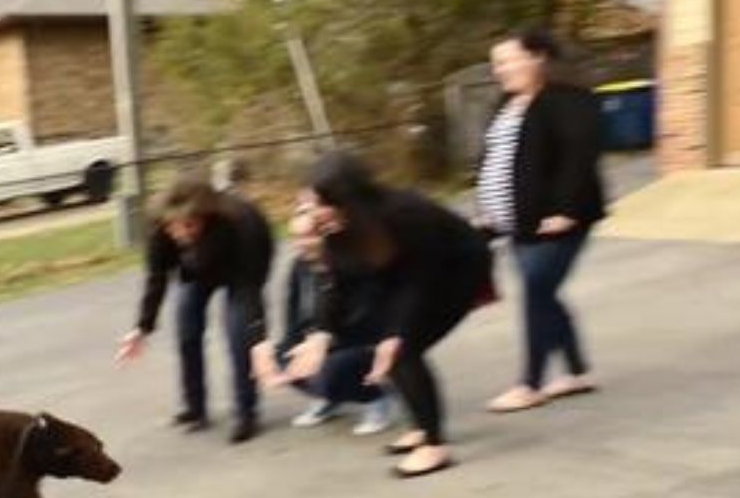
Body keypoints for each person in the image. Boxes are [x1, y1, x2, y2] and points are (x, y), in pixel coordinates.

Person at [257, 152, 492, 478]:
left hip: (456, 270)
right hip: (404, 277)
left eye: (320, 203)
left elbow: (418, 281)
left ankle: (434, 446)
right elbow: (334, 283)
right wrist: (320, 336)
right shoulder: (334, 224)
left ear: (348, 200)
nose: (312, 211)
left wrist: (397, 332)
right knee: (394, 347)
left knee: (401, 349)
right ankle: (424, 427)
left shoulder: (406, 214)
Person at [477, 29, 607, 413]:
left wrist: (566, 210)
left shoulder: (569, 100)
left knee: (536, 290)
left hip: (559, 221)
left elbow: (579, 157)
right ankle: (578, 372)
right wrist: (487, 208)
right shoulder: (507, 103)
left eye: (506, 60)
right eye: (496, 63)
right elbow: (497, 159)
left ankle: (529, 383)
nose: (499, 69)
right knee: (544, 292)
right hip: (516, 221)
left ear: (537, 58)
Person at [117, 174, 274, 444]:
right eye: (173, 227)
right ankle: (195, 408)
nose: (181, 233)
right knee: (186, 324)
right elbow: (156, 279)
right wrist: (141, 327)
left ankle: (246, 412)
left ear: (207, 216)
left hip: (241, 267)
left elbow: (249, 289)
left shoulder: (240, 223)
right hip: (197, 269)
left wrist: (258, 337)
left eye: (189, 225)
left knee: (238, 335)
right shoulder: (161, 229)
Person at [275, 207, 396, 436]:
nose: (301, 244)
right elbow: (292, 310)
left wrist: (323, 343)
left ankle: (376, 397)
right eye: (295, 237)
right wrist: (290, 347)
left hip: (358, 342)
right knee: (277, 357)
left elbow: (365, 321)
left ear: (326, 234)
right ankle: (329, 397)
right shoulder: (299, 266)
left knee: (330, 370)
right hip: (318, 340)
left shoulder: (350, 266)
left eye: (308, 235)